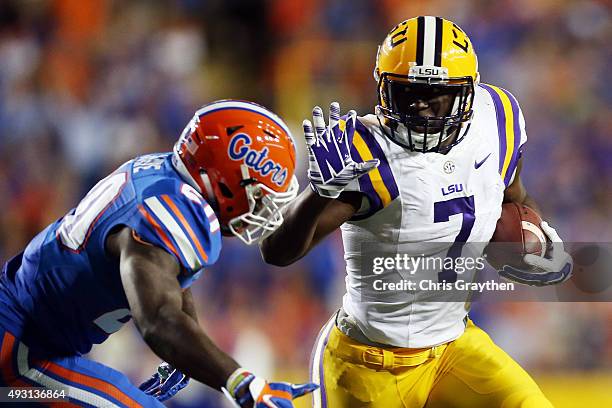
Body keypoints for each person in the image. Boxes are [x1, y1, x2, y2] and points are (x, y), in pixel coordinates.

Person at [261, 16, 573, 408]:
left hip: (453, 347)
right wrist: (318, 194)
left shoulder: (498, 117)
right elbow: (277, 251)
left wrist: (538, 239)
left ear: (466, 93)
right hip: (365, 364)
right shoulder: (363, 152)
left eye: (433, 92)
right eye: (406, 91)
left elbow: (515, 199)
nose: (419, 104)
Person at [0, 100, 317, 407]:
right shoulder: (169, 212)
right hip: (19, 359)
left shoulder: (167, 179)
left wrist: (187, 357)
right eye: (260, 196)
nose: (264, 209)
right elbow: (159, 321)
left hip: (26, 339)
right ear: (227, 183)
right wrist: (239, 381)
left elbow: (170, 278)